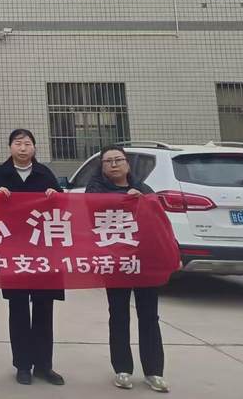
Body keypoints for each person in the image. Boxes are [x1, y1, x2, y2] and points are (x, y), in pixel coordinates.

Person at [0, 128, 65, 387]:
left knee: (44, 309)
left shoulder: (45, 174)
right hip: (12, 251)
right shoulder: (0, 174)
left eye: (27, 143)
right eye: (18, 143)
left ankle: (44, 365)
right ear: (10, 147)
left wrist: (56, 197)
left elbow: (64, 208)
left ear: (34, 148)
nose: (22, 148)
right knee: (18, 309)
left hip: (44, 252)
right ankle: (22, 365)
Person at [86, 147, 169, 393]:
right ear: (102, 167)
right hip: (116, 261)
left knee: (149, 315)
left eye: (118, 160)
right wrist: (123, 199)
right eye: (108, 161)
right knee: (119, 313)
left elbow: (160, 223)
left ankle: (154, 371)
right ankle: (122, 369)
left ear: (128, 164)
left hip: (144, 260)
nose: (114, 164)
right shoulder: (95, 190)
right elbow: (92, 212)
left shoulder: (144, 190)